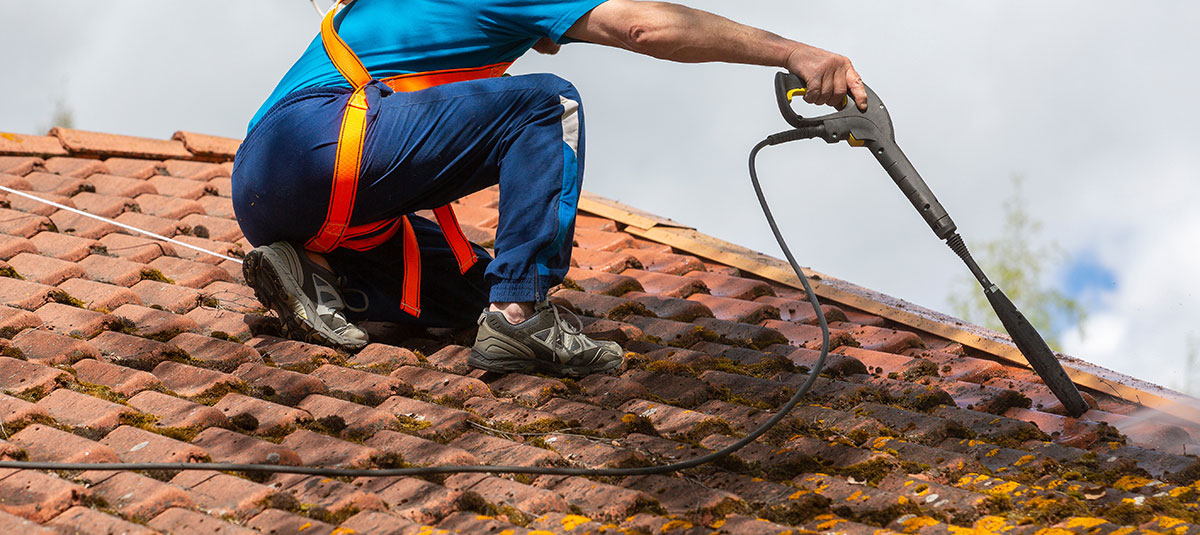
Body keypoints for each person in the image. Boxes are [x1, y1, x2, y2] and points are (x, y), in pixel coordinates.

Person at [231, 0, 865, 377]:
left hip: (271, 189)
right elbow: (643, 27)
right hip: (332, 147)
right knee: (546, 106)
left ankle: (318, 277)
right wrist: (794, 53)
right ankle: (521, 314)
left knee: (468, 297)